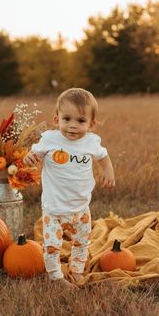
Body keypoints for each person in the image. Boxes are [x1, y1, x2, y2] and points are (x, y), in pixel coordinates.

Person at [23, 88, 115, 288]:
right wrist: (29, 158)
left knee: (82, 242)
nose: (73, 126)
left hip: (81, 208)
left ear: (91, 124)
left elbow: (103, 157)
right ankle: (56, 276)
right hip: (54, 209)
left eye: (81, 121)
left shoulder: (91, 142)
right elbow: (32, 156)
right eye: (67, 119)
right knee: (52, 246)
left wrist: (108, 171)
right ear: (56, 119)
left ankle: (77, 271)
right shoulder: (50, 139)